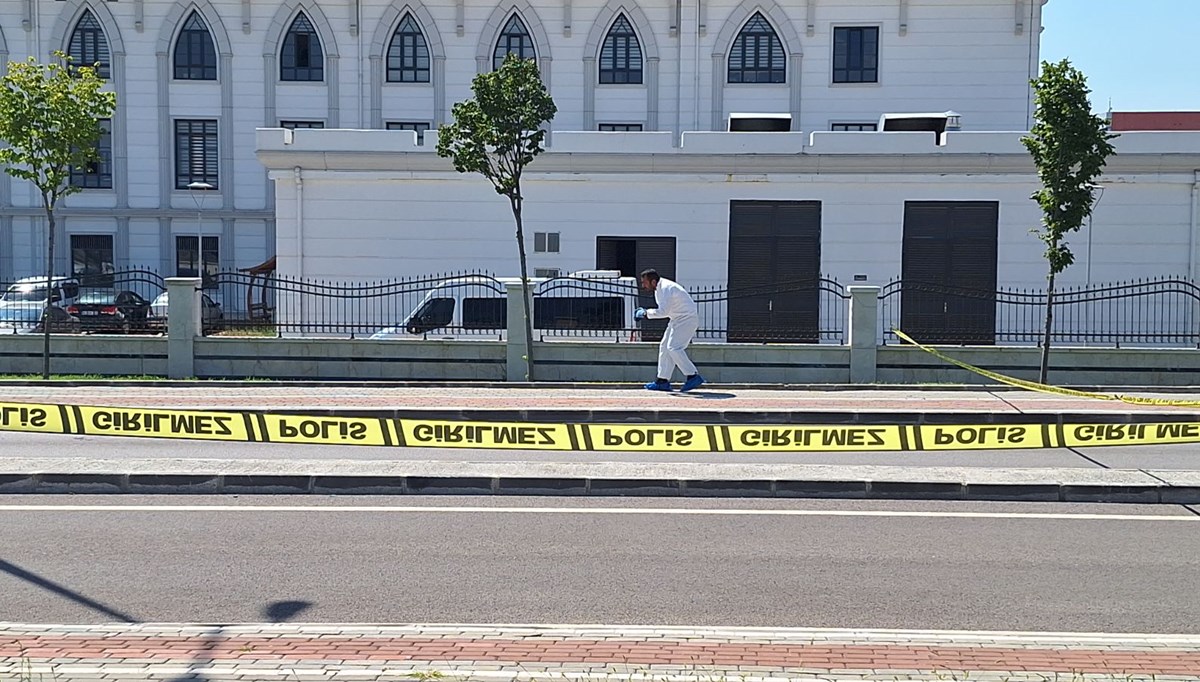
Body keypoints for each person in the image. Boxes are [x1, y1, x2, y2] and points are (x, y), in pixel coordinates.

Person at [634, 269, 704, 392]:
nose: (643, 285)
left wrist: (645, 313)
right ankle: (662, 381)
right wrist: (646, 313)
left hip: (686, 320)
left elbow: (663, 312)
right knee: (665, 346)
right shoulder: (659, 289)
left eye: (644, 282)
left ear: (653, 281)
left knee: (673, 347)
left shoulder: (666, 288)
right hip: (677, 320)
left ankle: (693, 375)